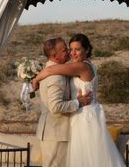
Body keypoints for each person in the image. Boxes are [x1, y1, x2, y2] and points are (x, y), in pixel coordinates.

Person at [33, 34, 125, 167]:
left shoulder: (82, 67)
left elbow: (51, 69)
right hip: (80, 114)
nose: (73, 53)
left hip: (84, 116)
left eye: (77, 49)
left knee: (88, 156)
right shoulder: (81, 65)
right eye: (70, 49)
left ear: (87, 50)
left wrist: (35, 80)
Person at [36, 37, 92, 167]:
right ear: (54, 55)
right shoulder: (56, 76)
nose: (68, 52)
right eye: (64, 50)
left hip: (54, 132)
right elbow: (55, 106)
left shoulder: (52, 70)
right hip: (56, 133)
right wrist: (78, 102)